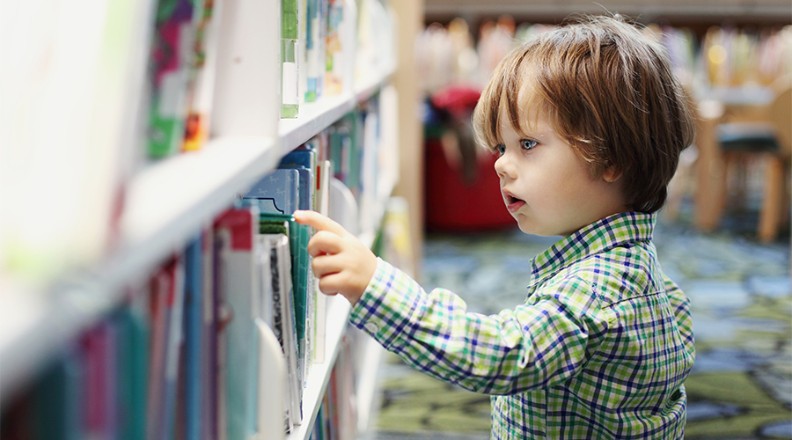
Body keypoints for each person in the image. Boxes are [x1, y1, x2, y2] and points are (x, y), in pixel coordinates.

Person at [294, 14, 695, 439]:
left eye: (527, 145)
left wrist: (375, 285)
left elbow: (499, 353)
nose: (502, 164)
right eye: (502, 146)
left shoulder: (596, 290)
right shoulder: (639, 271)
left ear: (612, 159)